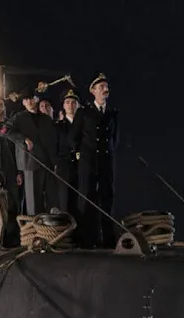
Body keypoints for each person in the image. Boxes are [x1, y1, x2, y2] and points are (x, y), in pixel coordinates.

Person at [69, 73, 120, 248]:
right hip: (88, 162)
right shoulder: (84, 113)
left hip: (105, 161)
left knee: (107, 198)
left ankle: (108, 239)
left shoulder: (113, 114)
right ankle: (87, 239)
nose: (105, 90)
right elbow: (73, 137)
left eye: (106, 87)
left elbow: (115, 138)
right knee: (87, 199)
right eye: (101, 87)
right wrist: (80, 155)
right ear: (93, 91)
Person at [0, 87, 59, 215]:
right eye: (26, 100)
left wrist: (54, 162)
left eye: (31, 98)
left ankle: (52, 230)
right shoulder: (18, 117)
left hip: (47, 164)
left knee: (52, 200)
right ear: (23, 103)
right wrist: (23, 139)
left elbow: (53, 142)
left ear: (36, 99)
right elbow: (4, 131)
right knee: (33, 202)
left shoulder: (46, 119)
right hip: (30, 163)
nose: (30, 101)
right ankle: (34, 231)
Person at [55, 88, 80, 214]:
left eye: (74, 102)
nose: (71, 105)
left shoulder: (85, 125)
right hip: (64, 168)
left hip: (81, 168)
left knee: (81, 203)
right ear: (64, 106)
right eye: (68, 102)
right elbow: (55, 148)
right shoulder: (58, 126)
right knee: (65, 203)